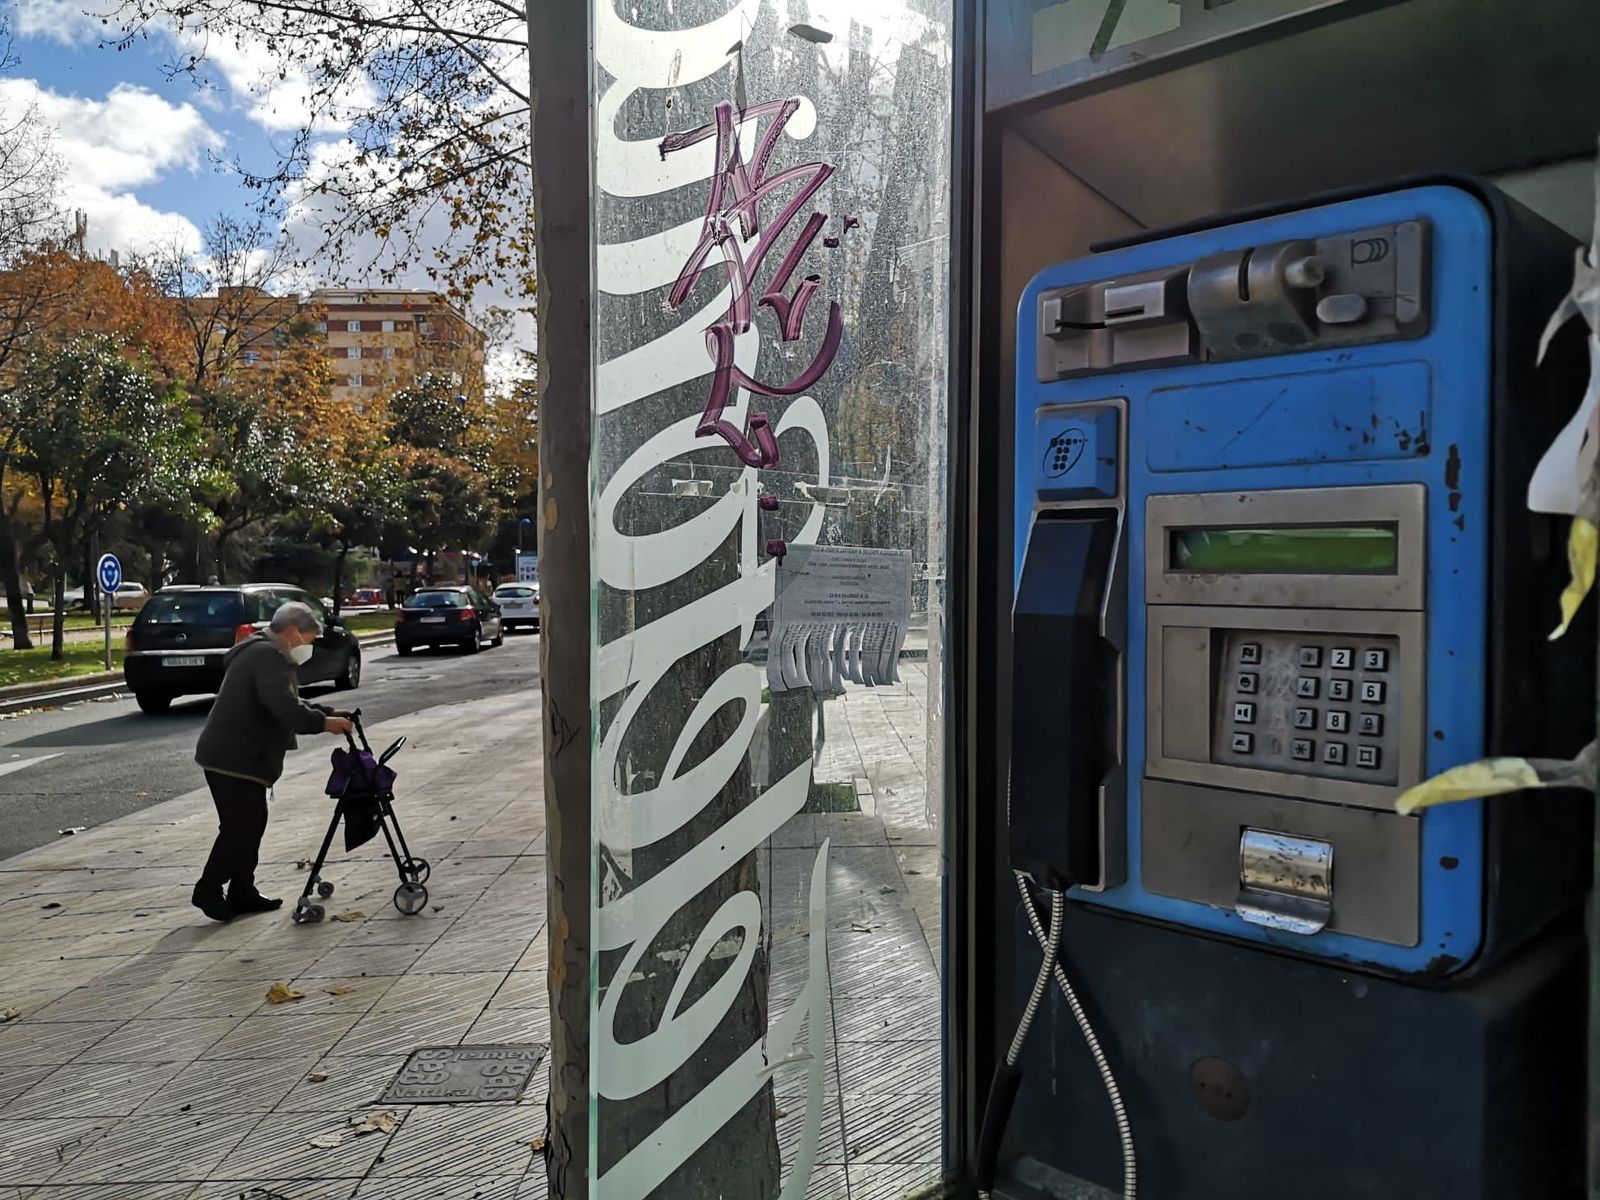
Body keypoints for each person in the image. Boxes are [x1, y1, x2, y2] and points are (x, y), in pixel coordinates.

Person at [191, 601, 353, 921]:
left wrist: (327, 713)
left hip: (237, 757)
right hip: (233, 758)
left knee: (249, 825)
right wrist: (323, 724)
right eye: (308, 639)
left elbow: (287, 699)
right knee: (240, 828)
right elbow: (283, 707)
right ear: (292, 631)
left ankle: (242, 890)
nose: (308, 647)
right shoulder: (267, 656)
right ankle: (208, 889)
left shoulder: (265, 653)